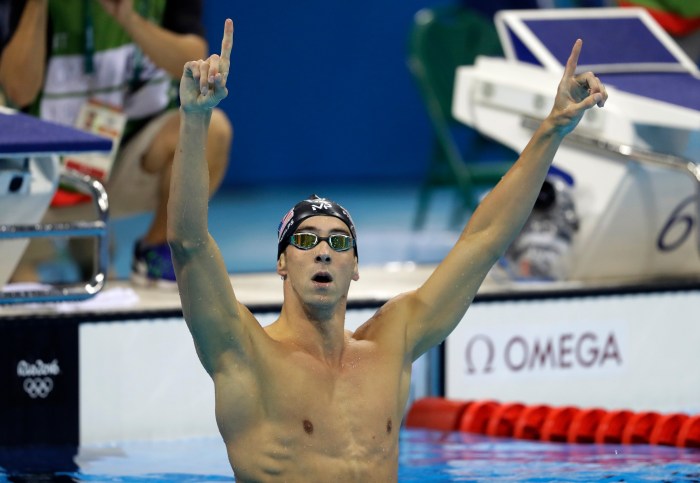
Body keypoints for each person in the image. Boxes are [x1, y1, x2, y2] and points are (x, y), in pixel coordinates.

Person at [170, 18, 607, 481]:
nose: (323, 252)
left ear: (355, 266)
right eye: (306, 240)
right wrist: (195, 120)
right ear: (282, 261)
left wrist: (553, 130)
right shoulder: (244, 354)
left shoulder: (389, 347)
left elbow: (484, 239)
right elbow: (188, 243)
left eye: (339, 243)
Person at [0, 0, 232, 287]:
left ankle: (155, 253)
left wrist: (129, 19)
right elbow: (17, 89)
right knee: (25, 293)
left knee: (212, 130)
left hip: (121, 165)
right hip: (37, 178)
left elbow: (191, 61)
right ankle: (78, 247)